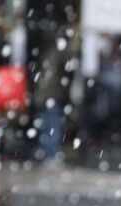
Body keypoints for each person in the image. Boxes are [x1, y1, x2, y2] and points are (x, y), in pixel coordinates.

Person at [35, 26, 79, 164]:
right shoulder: (62, 53)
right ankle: (51, 155)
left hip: (44, 95)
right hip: (53, 95)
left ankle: (48, 154)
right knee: (53, 126)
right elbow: (71, 66)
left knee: (47, 126)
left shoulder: (50, 52)